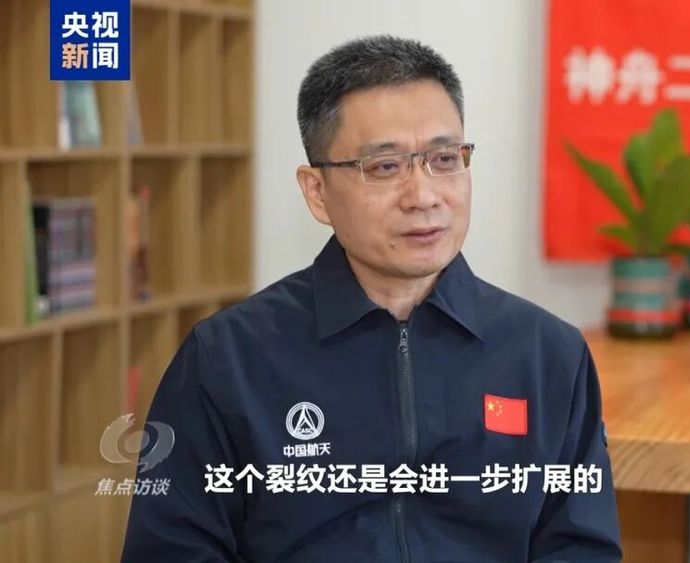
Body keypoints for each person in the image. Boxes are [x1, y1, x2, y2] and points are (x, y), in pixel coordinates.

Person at [121, 35, 622, 563]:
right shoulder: (227, 359)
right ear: (317, 192)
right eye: (385, 167)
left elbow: (580, 549)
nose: (424, 196)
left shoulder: (547, 355)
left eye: (444, 159)